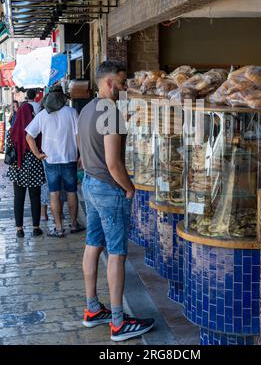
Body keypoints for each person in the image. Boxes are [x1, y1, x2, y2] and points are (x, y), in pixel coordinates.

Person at [78, 60, 154, 342]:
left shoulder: (86, 109)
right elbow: (112, 162)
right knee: (117, 254)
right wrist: (129, 187)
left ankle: (93, 309)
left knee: (93, 245)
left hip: (89, 184)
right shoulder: (110, 110)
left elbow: (83, 152)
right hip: (109, 189)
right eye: (122, 83)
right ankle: (119, 323)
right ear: (109, 83)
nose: (124, 89)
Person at [25, 85, 84, 238]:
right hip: (70, 158)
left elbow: (29, 136)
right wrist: (81, 155)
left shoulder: (42, 114)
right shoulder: (72, 112)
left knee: (54, 193)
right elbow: (79, 136)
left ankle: (58, 228)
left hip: (50, 160)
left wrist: (38, 154)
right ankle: (73, 224)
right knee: (72, 191)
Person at [6, 102, 44, 238]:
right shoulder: (34, 130)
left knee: (18, 198)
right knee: (35, 197)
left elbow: (9, 149)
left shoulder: (11, 131)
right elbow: (40, 147)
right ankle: (35, 227)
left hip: (18, 168)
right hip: (34, 168)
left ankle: (19, 229)